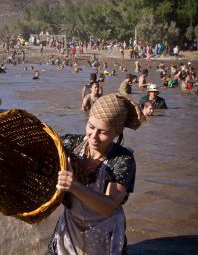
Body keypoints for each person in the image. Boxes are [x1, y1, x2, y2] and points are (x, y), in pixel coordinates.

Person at [47, 93, 145, 255]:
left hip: (104, 231)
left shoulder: (122, 159)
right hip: (71, 225)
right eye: (91, 127)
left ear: (117, 131)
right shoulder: (70, 144)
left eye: (103, 132)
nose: (93, 137)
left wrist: (74, 186)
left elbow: (108, 206)